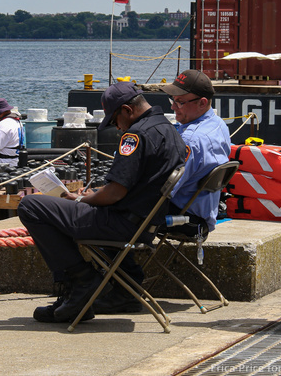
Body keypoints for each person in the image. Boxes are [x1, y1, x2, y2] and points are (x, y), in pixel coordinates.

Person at [17, 82, 186, 323]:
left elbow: (114, 194)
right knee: (57, 211)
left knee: (31, 206)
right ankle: (98, 290)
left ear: (127, 110)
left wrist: (83, 198)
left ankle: (81, 281)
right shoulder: (169, 130)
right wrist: (96, 194)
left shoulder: (136, 135)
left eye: (115, 119)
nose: (116, 127)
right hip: (145, 224)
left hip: (120, 223)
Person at [160, 69, 231, 231]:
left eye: (180, 102)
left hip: (185, 217)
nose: (173, 107)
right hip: (204, 211)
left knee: (106, 213)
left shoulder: (191, 140)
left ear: (202, 103)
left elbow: (166, 188)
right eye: (172, 100)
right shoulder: (219, 125)